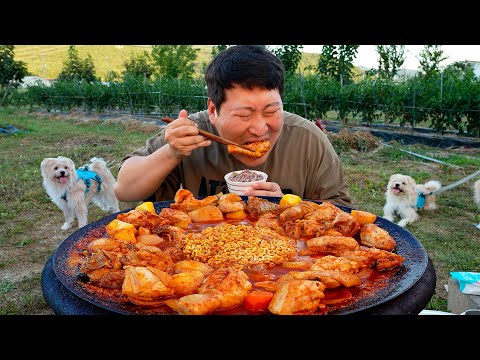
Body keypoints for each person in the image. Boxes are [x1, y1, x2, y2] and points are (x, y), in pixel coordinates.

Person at [114, 45, 351, 207]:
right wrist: (172, 152)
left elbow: (340, 213)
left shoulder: (307, 139)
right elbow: (124, 190)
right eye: (244, 115)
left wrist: (289, 208)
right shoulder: (193, 132)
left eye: (271, 111)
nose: (260, 129)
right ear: (213, 110)